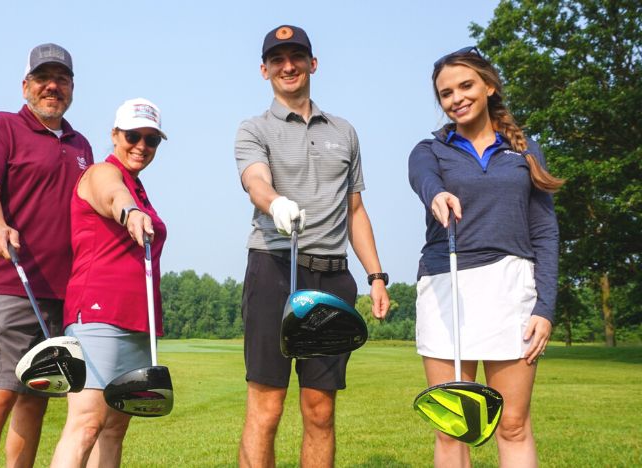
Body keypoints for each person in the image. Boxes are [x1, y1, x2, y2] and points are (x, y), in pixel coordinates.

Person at [234, 25, 390, 467]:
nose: (289, 66)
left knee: (320, 410)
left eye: (297, 57)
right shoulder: (253, 128)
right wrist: (275, 202)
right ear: (264, 70)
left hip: (333, 275)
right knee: (266, 406)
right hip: (274, 269)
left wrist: (376, 275)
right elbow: (255, 180)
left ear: (312, 64)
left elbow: (355, 210)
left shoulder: (344, 131)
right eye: (278, 59)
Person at [408, 46, 564, 467]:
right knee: (452, 428)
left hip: (511, 288)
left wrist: (545, 307)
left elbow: (545, 232)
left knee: (512, 424)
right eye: (445, 93)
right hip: (445, 288)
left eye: (465, 86)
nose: (456, 98)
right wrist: (436, 193)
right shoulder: (430, 150)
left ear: (489, 87)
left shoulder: (525, 150)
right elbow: (423, 179)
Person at [0, 43, 93, 468]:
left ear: (72, 87)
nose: (52, 86)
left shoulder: (81, 145)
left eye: (61, 79)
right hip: (7, 281)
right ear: (26, 86)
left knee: (36, 400)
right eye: (43, 78)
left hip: (60, 293)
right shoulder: (1, 127)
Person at [50, 98, 168, 467]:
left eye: (152, 140)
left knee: (115, 428)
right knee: (86, 423)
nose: (142, 146)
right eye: (133, 135)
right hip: (99, 316)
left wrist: (135, 204)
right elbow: (111, 195)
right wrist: (129, 211)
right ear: (115, 134)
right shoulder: (104, 172)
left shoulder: (138, 184)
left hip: (137, 321)